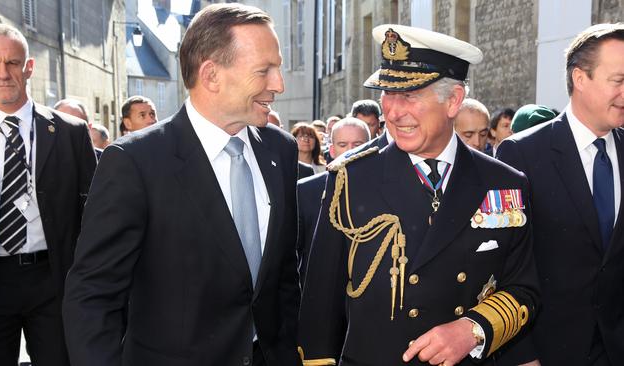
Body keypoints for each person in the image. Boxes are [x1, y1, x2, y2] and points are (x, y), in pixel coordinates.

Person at [62, 4, 302, 366]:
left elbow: (283, 276)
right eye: (264, 71)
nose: (279, 84)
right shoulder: (135, 162)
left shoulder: (280, 150)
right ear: (211, 75)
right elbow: (93, 295)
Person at [298, 24, 539, 366]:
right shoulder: (350, 179)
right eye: (387, 95)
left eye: (408, 96)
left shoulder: (503, 183)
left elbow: (524, 289)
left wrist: (472, 329)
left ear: (453, 100)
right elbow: (319, 309)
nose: (393, 113)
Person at [496, 23, 624, 366]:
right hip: (548, 352)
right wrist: (520, 355)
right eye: (619, 81)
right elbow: (503, 265)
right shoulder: (522, 154)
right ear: (580, 79)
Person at [0, 24, 96, 366]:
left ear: (29, 67)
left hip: (54, 280)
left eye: (12, 63)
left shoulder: (70, 133)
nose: (3, 73)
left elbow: (94, 213)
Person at [296, 117, 370, 284]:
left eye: (358, 145)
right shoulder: (307, 190)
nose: (350, 151)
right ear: (332, 150)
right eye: (343, 145)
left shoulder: (386, 187)